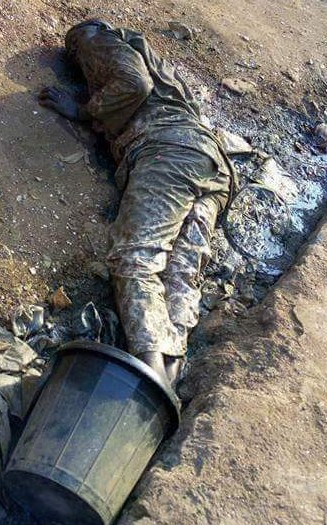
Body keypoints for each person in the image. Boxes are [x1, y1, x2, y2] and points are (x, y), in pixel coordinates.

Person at [39, 20, 235, 385]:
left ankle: (146, 385)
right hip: (211, 166)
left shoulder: (94, 37)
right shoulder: (164, 74)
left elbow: (134, 84)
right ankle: (168, 380)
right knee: (179, 271)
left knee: (134, 259)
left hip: (169, 154)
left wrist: (83, 110)